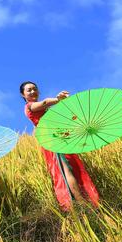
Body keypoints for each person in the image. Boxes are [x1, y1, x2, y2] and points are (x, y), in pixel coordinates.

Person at [21, 82, 99, 212]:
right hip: (51, 140)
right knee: (66, 169)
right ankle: (81, 203)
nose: (33, 91)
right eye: (29, 90)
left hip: (57, 138)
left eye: (35, 89)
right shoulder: (30, 106)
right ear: (23, 94)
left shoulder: (42, 110)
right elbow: (45, 102)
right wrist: (58, 99)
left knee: (72, 168)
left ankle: (83, 201)